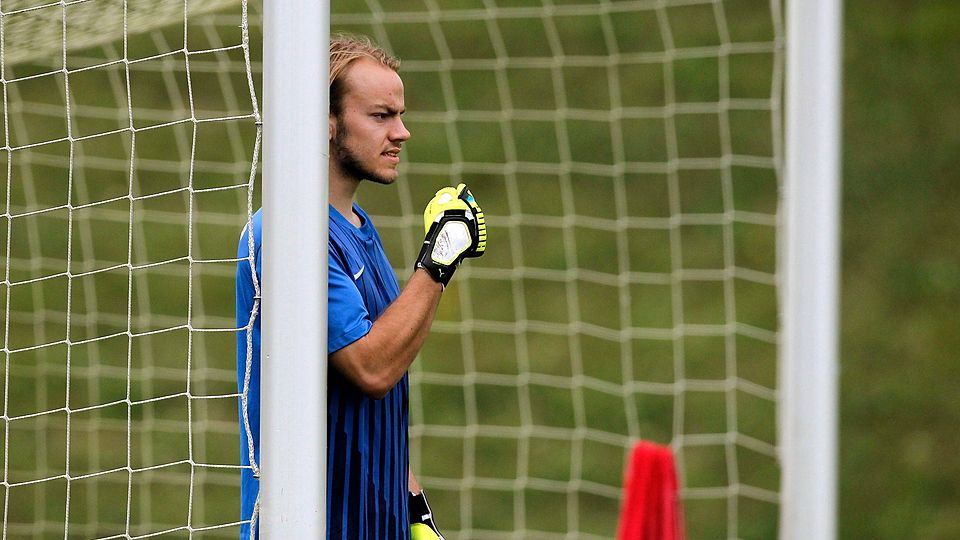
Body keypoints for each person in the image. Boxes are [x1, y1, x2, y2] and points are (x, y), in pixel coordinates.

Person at [235, 33, 486, 540]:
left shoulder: (358, 228)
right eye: (380, 116)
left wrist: (412, 504)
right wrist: (438, 261)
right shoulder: (288, 234)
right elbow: (372, 368)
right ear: (325, 121)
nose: (402, 132)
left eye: (400, 115)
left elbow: (376, 403)